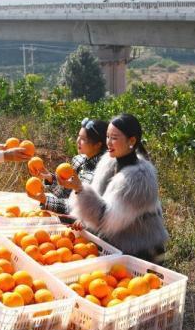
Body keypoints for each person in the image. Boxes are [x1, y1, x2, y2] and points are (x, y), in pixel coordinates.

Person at [60, 113, 169, 264]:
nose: (108, 142)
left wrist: (80, 189)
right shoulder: (108, 162)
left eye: (114, 138)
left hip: (143, 253)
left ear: (131, 141)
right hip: (117, 245)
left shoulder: (138, 180)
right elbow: (98, 199)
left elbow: (106, 219)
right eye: (108, 136)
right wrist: (83, 217)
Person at [28, 118, 108, 218]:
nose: (78, 141)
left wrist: (46, 200)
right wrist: (50, 178)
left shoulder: (102, 171)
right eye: (79, 136)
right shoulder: (78, 160)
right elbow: (68, 195)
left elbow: (78, 208)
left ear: (98, 145)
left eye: (83, 139)